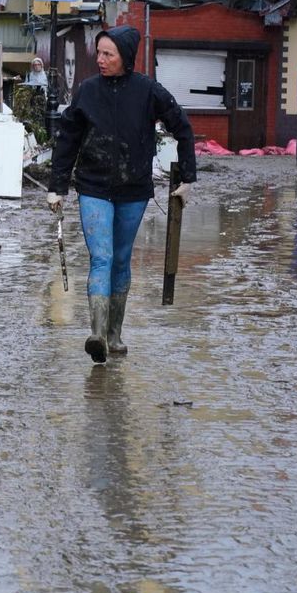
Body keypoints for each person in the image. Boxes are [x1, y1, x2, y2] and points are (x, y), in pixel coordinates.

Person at [46, 24, 195, 364]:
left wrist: (187, 178)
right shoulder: (87, 91)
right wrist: (57, 187)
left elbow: (182, 127)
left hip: (133, 190)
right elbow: (67, 139)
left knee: (120, 259)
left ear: (125, 58)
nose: (100, 59)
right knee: (102, 256)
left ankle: (114, 334)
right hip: (93, 187)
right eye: (98, 53)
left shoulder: (148, 91)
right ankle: (97, 334)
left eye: (107, 54)